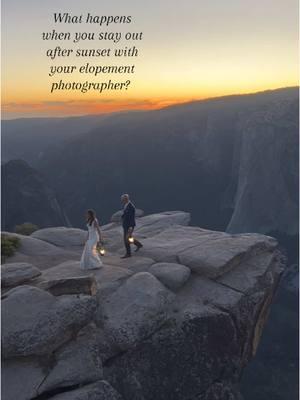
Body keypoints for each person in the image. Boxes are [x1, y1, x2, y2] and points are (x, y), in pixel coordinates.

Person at [121, 194, 143, 258]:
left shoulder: (131, 206)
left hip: (129, 225)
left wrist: (130, 227)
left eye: (122, 199)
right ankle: (138, 244)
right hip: (126, 225)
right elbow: (126, 214)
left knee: (126, 239)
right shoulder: (126, 205)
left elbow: (131, 217)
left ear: (126, 199)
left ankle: (128, 254)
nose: (122, 201)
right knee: (128, 238)